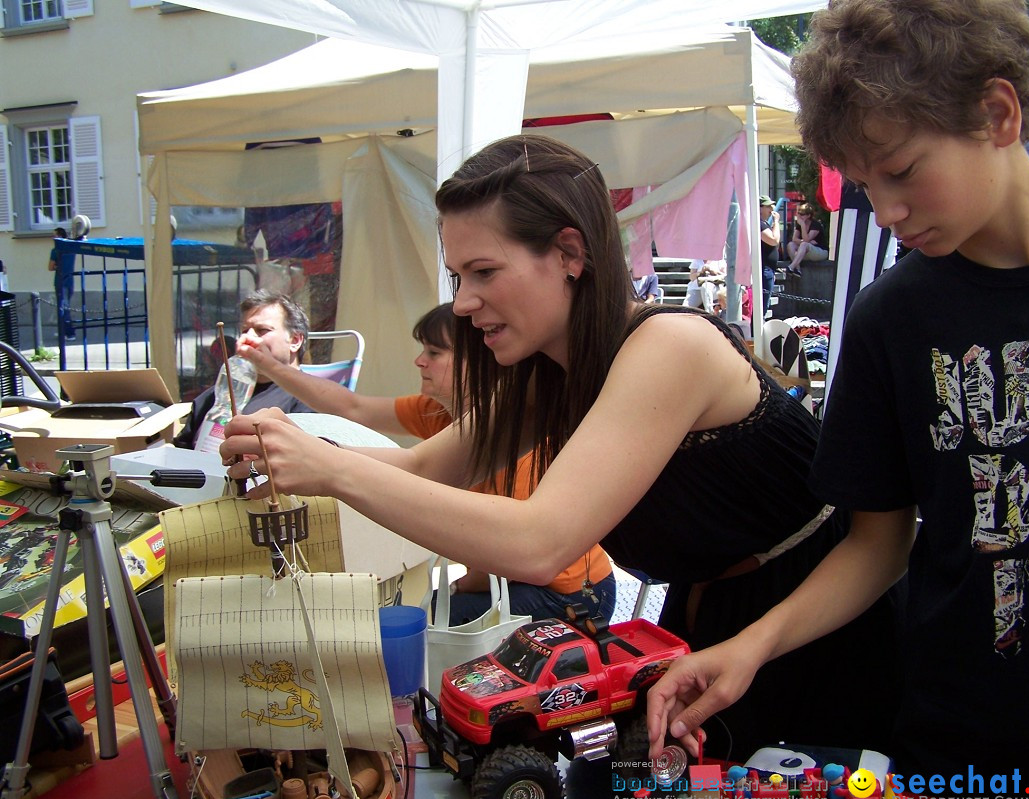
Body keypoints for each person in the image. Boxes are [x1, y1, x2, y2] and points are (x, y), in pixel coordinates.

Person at [221, 133, 896, 760]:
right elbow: (420, 468)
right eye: (459, 277)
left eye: (483, 271)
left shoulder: (671, 346)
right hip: (714, 621)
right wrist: (291, 452)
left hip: (820, 626)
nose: (462, 302)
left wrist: (330, 468)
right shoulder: (551, 372)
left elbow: (539, 543)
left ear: (571, 254)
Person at [646, 0, 1029, 777]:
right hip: (964, 744)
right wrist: (752, 646)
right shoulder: (895, 315)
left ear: (998, 113)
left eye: (903, 171)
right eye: (866, 184)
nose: (887, 211)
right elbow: (879, 542)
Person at [236, 302, 617, 624]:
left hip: (569, 595)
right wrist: (269, 371)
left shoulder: (520, 433)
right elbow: (353, 409)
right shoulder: (438, 412)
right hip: (517, 579)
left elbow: (506, 553)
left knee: (416, 620)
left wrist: (456, 587)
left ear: (480, 360)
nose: (419, 362)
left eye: (434, 353)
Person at [174, 289, 313, 451]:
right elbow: (181, 453)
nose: (247, 339)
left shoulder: (308, 401)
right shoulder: (213, 397)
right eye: (245, 331)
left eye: (262, 330)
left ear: (295, 340)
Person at [48, 226, 76, 343]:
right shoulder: (71, 249)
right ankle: (63, 332)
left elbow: (50, 267)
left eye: (54, 235)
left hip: (60, 281)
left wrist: (57, 266)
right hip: (70, 281)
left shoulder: (56, 251)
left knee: (63, 309)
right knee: (65, 307)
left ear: (59, 236)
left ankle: (69, 333)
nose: (53, 238)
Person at [785, 203, 828, 276]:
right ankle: (797, 269)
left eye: (802, 214)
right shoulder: (800, 224)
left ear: (808, 215)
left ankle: (791, 266)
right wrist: (804, 242)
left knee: (804, 244)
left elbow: (806, 240)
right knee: (791, 245)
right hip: (805, 251)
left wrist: (803, 225)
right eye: (799, 213)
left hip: (820, 252)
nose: (799, 216)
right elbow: (794, 239)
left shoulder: (815, 225)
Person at [758, 195, 780, 316]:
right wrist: (776, 222)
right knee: (762, 306)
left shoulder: (764, 223)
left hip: (769, 269)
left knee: (764, 305)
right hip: (764, 269)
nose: (771, 209)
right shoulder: (760, 224)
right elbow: (773, 240)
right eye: (768, 206)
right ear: (760, 208)